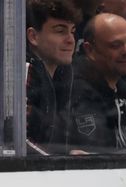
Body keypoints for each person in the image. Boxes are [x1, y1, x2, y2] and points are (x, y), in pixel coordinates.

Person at [69, 13, 126, 152]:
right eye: (115, 45)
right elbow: (97, 153)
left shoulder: (122, 85)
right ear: (90, 50)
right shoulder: (79, 90)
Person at [25, 0, 80, 155]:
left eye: (72, 31)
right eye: (60, 31)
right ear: (33, 36)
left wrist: (68, 153)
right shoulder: (25, 71)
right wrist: (60, 160)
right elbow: (18, 141)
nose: (70, 40)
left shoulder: (64, 75)